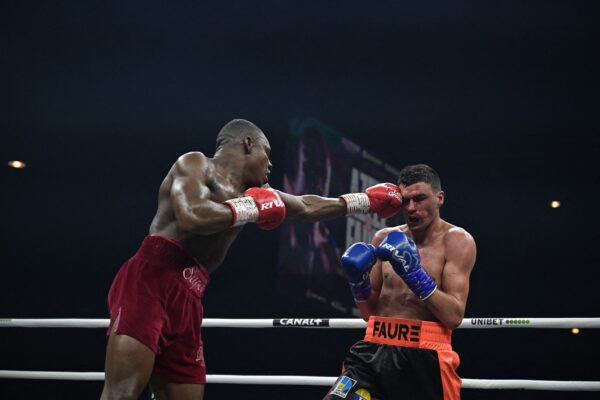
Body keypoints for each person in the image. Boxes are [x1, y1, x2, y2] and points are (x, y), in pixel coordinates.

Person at [100, 119, 402, 400]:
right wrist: (251, 208)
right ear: (247, 144)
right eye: (266, 153)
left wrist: (366, 201)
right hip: (152, 278)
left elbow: (307, 207)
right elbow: (192, 216)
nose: (271, 163)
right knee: (123, 393)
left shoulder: (256, 192)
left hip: (191, 295)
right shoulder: (195, 164)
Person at [325, 164, 476, 400]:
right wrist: (358, 283)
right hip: (373, 350)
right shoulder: (383, 238)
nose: (411, 208)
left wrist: (413, 273)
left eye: (420, 199)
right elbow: (369, 313)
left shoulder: (457, 241)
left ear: (440, 198)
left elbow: (453, 316)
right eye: (405, 201)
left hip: (425, 354)